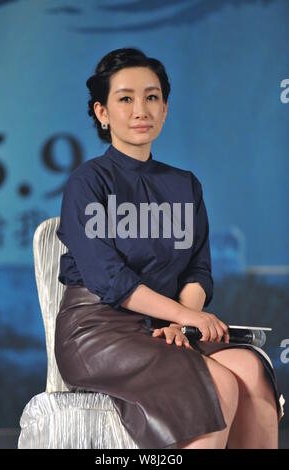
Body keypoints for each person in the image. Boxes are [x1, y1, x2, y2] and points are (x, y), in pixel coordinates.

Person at [54, 47, 284, 449]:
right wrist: (179, 315)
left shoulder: (185, 185)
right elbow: (109, 278)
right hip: (98, 332)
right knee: (219, 386)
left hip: (168, 329)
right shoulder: (87, 183)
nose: (141, 109)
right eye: (125, 98)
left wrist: (184, 320)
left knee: (252, 370)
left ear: (164, 109)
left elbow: (198, 271)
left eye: (152, 97)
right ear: (102, 113)